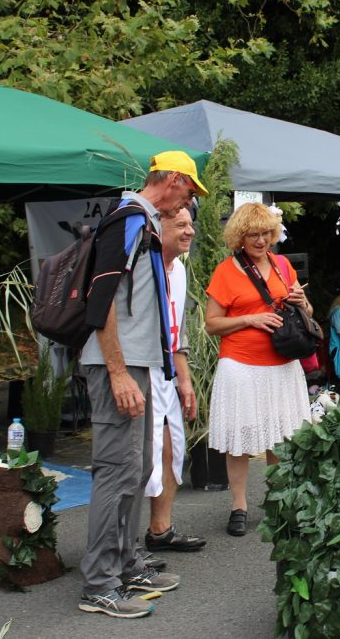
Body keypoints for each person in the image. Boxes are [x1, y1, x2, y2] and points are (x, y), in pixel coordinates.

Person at [78, 150, 206, 619]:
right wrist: (115, 372)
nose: (190, 200)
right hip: (121, 364)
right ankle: (99, 583)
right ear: (172, 179)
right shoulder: (129, 219)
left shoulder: (144, 222)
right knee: (116, 470)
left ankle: (125, 562)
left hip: (140, 363)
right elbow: (101, 299)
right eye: (190, 188)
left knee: (135, 469)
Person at [204, 203, 317, 537]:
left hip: (282, 365)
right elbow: (212, 324)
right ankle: (238, 506)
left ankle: (278, 502)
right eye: (253, 234)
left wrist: (301, 301)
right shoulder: (226, 271)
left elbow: (308, 310)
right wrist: (250, 319)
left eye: (266, 233)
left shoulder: (283, 266)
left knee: (280, 438)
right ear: (240, 236)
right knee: (240, 440)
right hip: (240, 364)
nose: (260, 240)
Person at [142, 208, 206, 554]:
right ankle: (118, 548)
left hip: (166, 372)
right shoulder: (141, 267)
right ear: (158, 227)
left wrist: (185, 381)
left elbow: (176, 332)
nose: (190, 232)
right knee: (136, 457)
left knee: (170, 448)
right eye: (181, 224)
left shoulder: (178, 269)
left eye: (190, 224)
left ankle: (160, 530)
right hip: (138, 371)